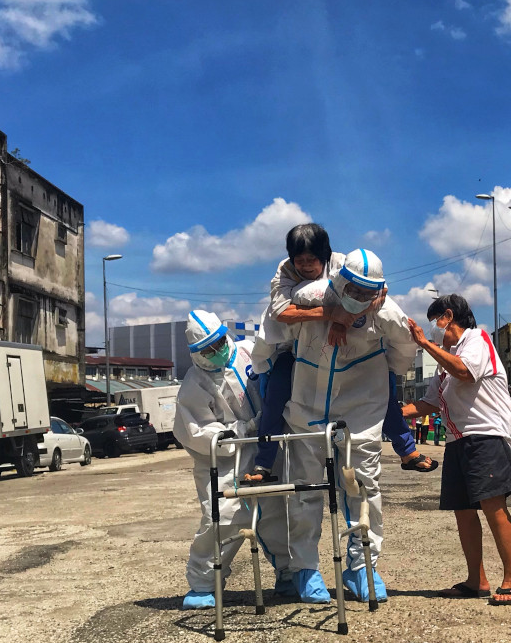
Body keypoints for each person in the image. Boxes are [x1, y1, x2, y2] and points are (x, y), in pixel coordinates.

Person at [247, 224, 437, 482]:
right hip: (297, 348)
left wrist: (344, 321)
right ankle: (263, 463)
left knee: (382, 388)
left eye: (311, 260)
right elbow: (281, 313)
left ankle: (406, 449)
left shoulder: (343, 264)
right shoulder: (285, 272)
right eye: (299, 260)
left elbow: (374, 293)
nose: (304, 266)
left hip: (346, 348)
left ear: (325, 255)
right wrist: (331, 314)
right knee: (275, 394)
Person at [280, 248, 417, 602]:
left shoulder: (387, 313)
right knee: (306, 489)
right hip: (307, 405)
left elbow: (404, 352)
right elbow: (276, 322)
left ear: (380, 291)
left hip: (361, 410)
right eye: (353, 290)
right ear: (339, 280)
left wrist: (385, 372)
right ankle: (305, 569)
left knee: (363, 486)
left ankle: (361, 566)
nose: (359, 299)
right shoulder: (313, 296)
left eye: (367, 292)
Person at [401, 294, 511, 606]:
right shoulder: (443, 362)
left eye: (434, 324)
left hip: (485, 436)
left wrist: (425, 345)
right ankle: (476, 580)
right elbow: (429, 403)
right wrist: (390, 414)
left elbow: (465, 372)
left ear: (448, 316)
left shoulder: (477, 340)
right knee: (463, 511)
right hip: (457, 441)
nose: (432, 332)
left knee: (492, 506)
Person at [174, 309, 288, 610]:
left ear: (226, 336)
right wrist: (244, 429)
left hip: (267, 449)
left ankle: (290, 574)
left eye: (218, 343)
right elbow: (196, 431)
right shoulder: (194, 384)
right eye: (207, 350)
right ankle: (203, 584)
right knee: (222, 518)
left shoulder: (250, 352)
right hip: (226, 460)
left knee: (276, 512)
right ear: (195, 354)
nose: (215, 352)